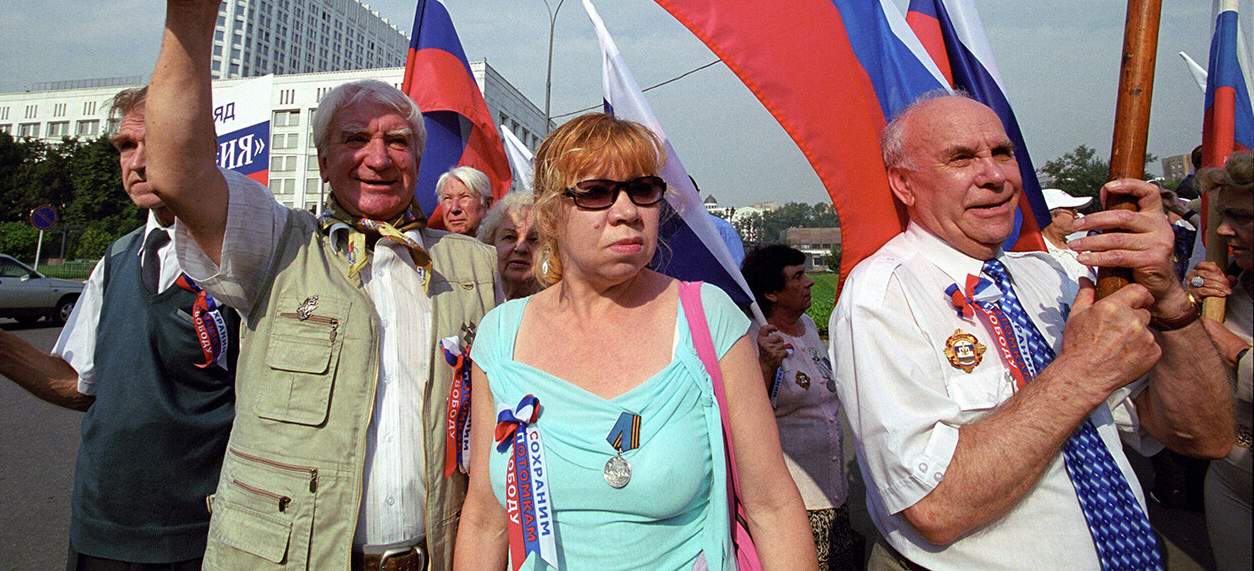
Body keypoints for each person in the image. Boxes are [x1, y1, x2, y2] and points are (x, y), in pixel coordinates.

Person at [144, 0, 501, 571]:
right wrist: (191, 12)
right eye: (354, 139)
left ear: (419, 162)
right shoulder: (275, 243)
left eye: (398, 141)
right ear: (321, 159)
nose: (378, 155)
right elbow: (173, 170)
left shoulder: (474, 265)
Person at [829, 91, 1234, 571]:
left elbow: (1203, 436)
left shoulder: (1055, 276)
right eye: (961, 159)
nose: (995, 176)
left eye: (1002, 153)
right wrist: (1082, 372)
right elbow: (933, 507)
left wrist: (1166, 294)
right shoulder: (883, 295)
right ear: (904, 185)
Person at [454, 113, 816, 570]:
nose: (626, 211)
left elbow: (773, 506)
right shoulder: (500, 334)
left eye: (642, 189)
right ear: (549, 212)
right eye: (596, 192)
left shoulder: (708, 316)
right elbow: (486, 519)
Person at [0, 86, 237, 571]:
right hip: (102, 526)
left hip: (202, 534)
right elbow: (82, 386)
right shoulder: (117, 258)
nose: (139, 162)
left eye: (158, 142)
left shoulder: (242, 263)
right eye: (127, 146)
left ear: (202, 148)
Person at [744, 244, 856, 570]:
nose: (809, 282)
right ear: (771, 293)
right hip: (795, 504)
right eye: (798, 276)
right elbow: (747, 416)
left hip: (835, 495)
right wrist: (765, 366)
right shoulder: (753, 338)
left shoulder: (808, 326)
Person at [1187, 151, 1252, 571]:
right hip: (1231, 475)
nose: (1224, 230)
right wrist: (1188, 306)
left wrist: (1234, 350)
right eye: (1222, 216)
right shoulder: (1226, 291)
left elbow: (1225, 352)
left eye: (1242, 217)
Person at [476, 190, 541, 300]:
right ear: (491, 242)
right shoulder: (476, 301)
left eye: (534, 239)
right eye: (510, 237)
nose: (520, 248)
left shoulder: (561, 305)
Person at [1040, 187, 1094, 282]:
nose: (1077, 216)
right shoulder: (1040, 256)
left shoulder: (1081, 248)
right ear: (1052, 216)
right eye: (1073, 212)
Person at [437, 165, 493, 236]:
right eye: (448, 198)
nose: (454, 208)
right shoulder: (429, 246)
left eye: (464, 197)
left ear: (488, 204)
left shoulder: (505, 245)